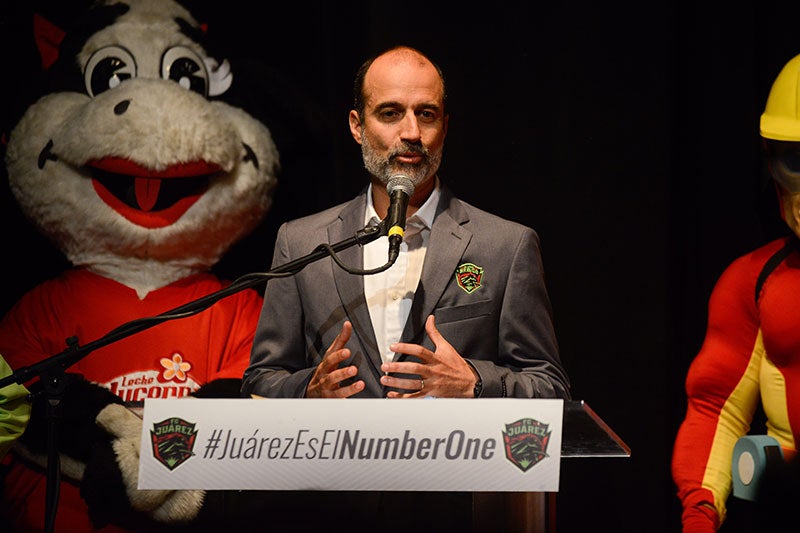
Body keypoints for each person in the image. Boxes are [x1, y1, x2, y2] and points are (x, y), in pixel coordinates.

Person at [239, 44, 571, 532]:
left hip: (457, 511)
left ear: (445, 126)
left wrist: (476, 384)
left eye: (427, 114)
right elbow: (260, 381)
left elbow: (551, 390)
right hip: (332, 509)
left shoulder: (507, 245)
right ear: (357, 125)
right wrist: (307, 390)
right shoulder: (303, 242)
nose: (411, 133)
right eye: (390, 113)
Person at [672, 52, 800, 532]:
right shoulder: (754, 282)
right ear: (771, 164)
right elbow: (715, 410)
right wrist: (699, 515)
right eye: (799, 158)